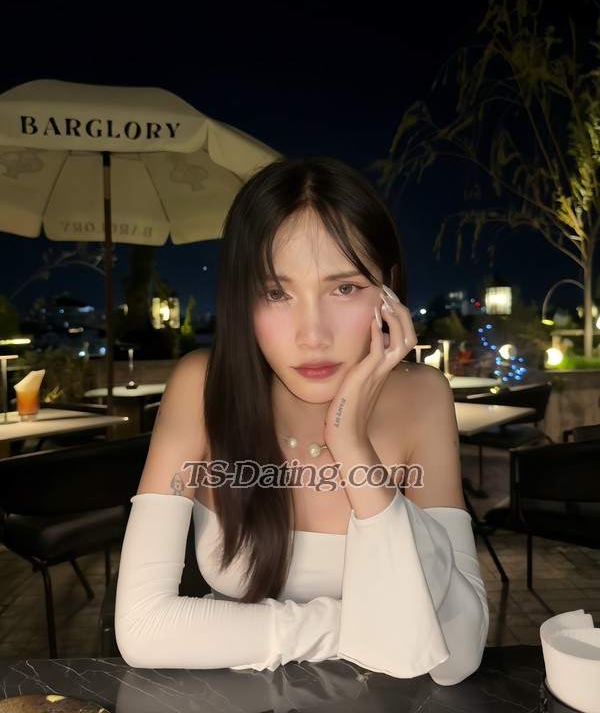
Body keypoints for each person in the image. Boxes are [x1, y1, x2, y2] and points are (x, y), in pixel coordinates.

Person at [115, 156, 489, 685]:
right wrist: (370, 631)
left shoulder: (422, 397)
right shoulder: (202, 389)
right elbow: (142, 628)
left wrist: (352, 444)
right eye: (276, 293)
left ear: (389, 291)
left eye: (344, 288)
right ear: (241, 298)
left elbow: (459, 653)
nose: (312, 334)